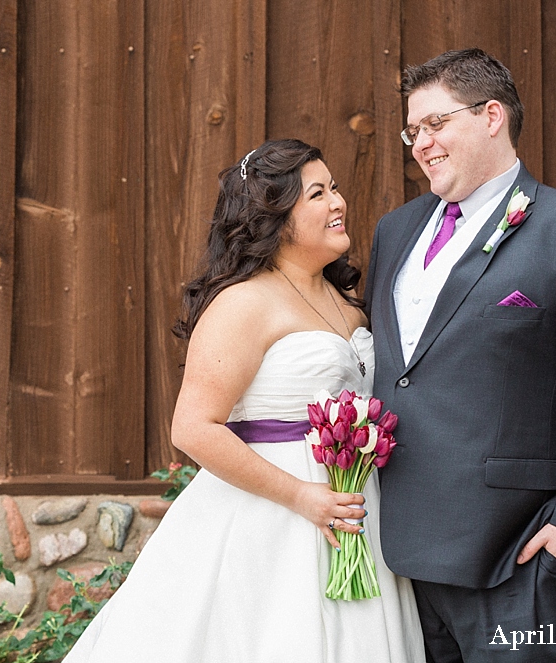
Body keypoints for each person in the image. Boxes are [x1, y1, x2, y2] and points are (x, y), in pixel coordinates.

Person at [64, 139, 425, 662]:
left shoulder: (345, 302)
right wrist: (303, 497)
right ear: (275, 218)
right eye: (318, 194)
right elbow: (192, 428)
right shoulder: (242, 303)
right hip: (273, 519)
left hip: (354, 509)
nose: (338, 202)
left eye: (336, 188)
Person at [364, 48, 556, 663]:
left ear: (491, 115)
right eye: (412, 130)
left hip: (517, 554)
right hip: (400, 550)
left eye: (436, 123)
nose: (420, 143)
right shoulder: (395, 230)